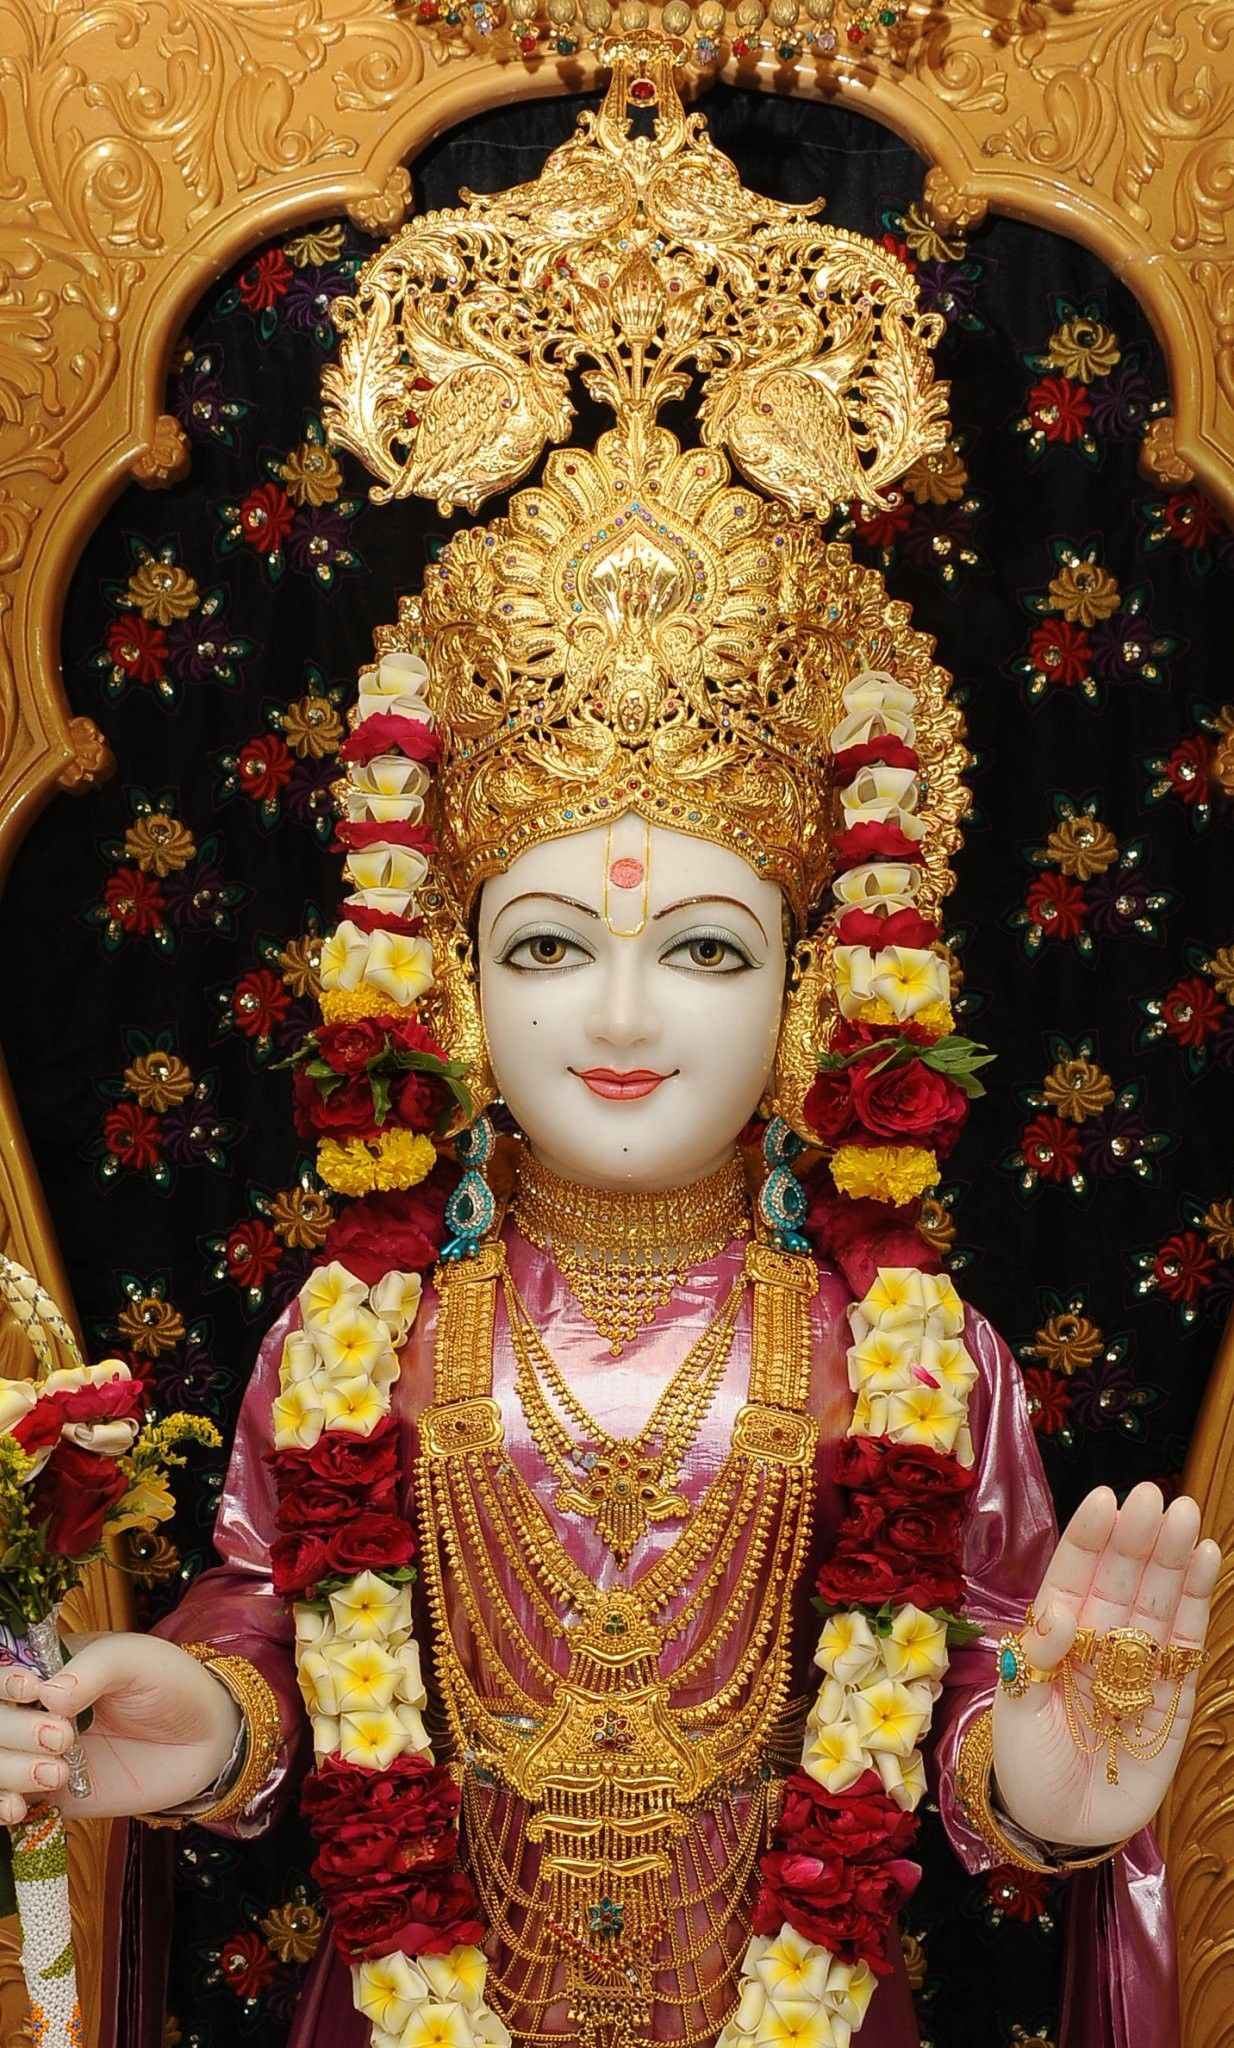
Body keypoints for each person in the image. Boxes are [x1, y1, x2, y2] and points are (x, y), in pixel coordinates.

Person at [0, 34, 1218, 2048]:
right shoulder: (355, 1335)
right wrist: (200, 1715)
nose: (627, 1014)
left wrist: (1043, 1786)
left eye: (709, 952)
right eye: (552, 944)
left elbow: (972, 1689)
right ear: (450, 984)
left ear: (817, 993)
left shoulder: (917, 1356)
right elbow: (277, 1627)